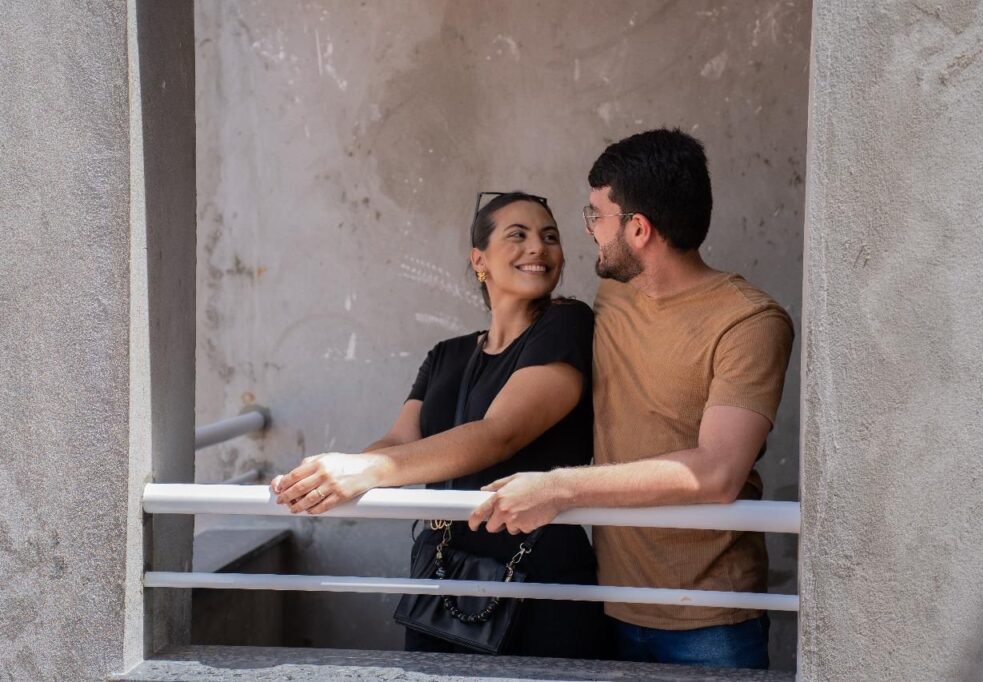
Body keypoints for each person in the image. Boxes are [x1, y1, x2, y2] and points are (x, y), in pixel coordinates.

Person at [467, 130, 794, 669]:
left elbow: (717, 472)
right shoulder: (613, 293)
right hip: (609, 602)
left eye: (596, 215)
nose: (588, 229)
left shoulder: (748, 321)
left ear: (638, 229)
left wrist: (558, 487)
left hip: (709, 615)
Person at [271, 191, 609, 658]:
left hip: (537, 576)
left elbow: (500, 433)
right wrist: (326, 475)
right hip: (444, 573)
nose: (538, 247)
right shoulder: (446, 354)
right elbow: (398, 440)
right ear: (479, 260)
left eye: (550, 237)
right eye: (518, 235)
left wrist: (368, 471)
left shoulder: (567, 323)